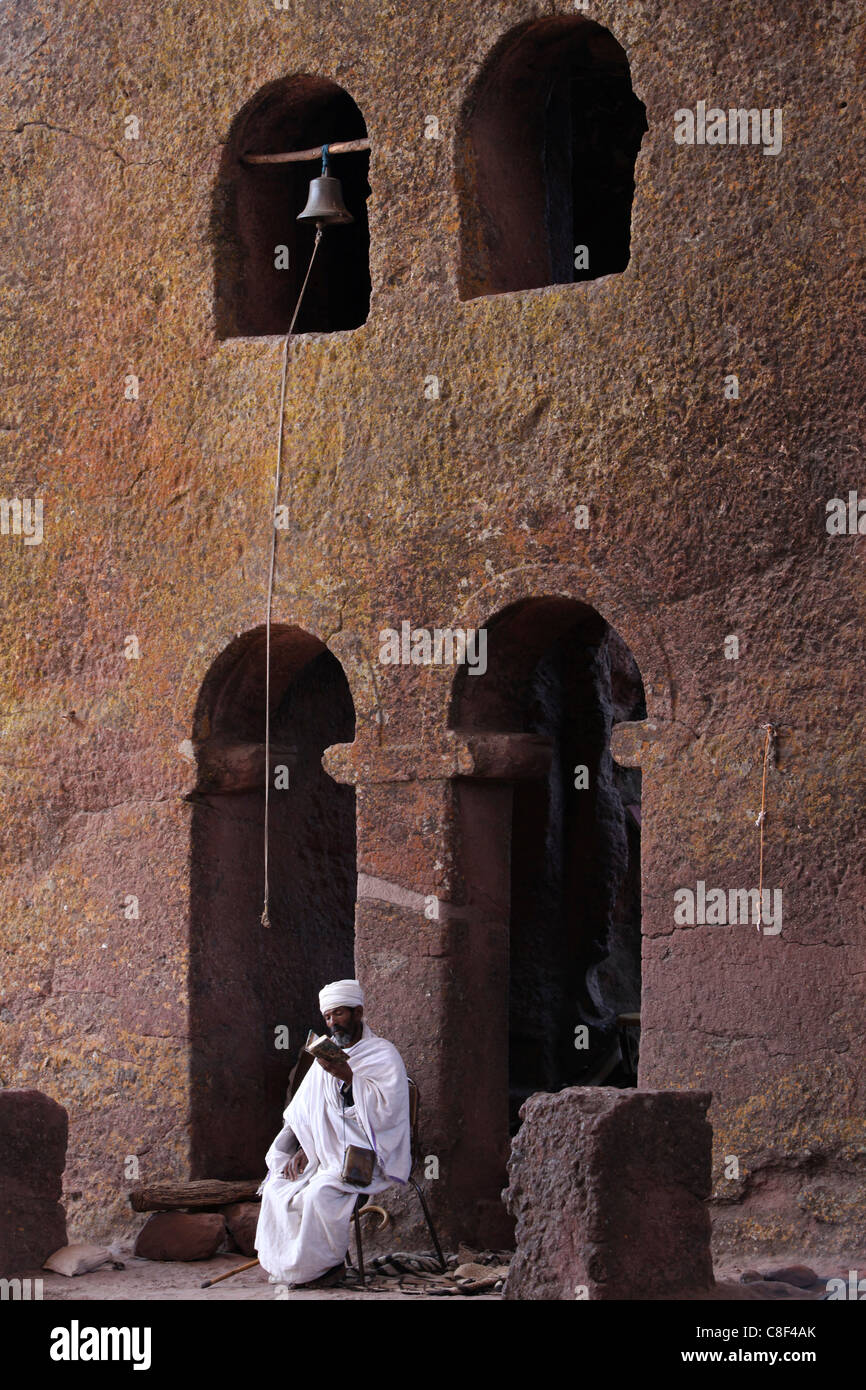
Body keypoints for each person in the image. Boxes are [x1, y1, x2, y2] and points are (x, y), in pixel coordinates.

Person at [255, 979, 411, 1288]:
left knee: (318, 1194)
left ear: (358, 1012)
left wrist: (352, 1078)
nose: (332, 1022)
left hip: (364, 1156)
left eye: (338, 1014)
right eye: (327, 1017)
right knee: (278, 1187)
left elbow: (388, 1113)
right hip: (322, 1154)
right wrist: (303, 1147)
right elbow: (304, 1112)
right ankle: (292, 1268)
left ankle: (327, 1269)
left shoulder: (383, 1054)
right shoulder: (325, 1056)